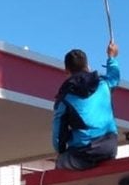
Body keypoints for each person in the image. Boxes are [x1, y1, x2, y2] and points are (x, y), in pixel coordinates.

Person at [52, 41, 121, 170]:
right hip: (109, 147)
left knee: (61, 162)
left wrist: (61, 151)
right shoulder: (104, 84)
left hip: (85, 152)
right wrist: (112, 57)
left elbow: (58, 136)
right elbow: (114, 77)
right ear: (88, 66)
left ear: (66, 71)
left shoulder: (64, 97)